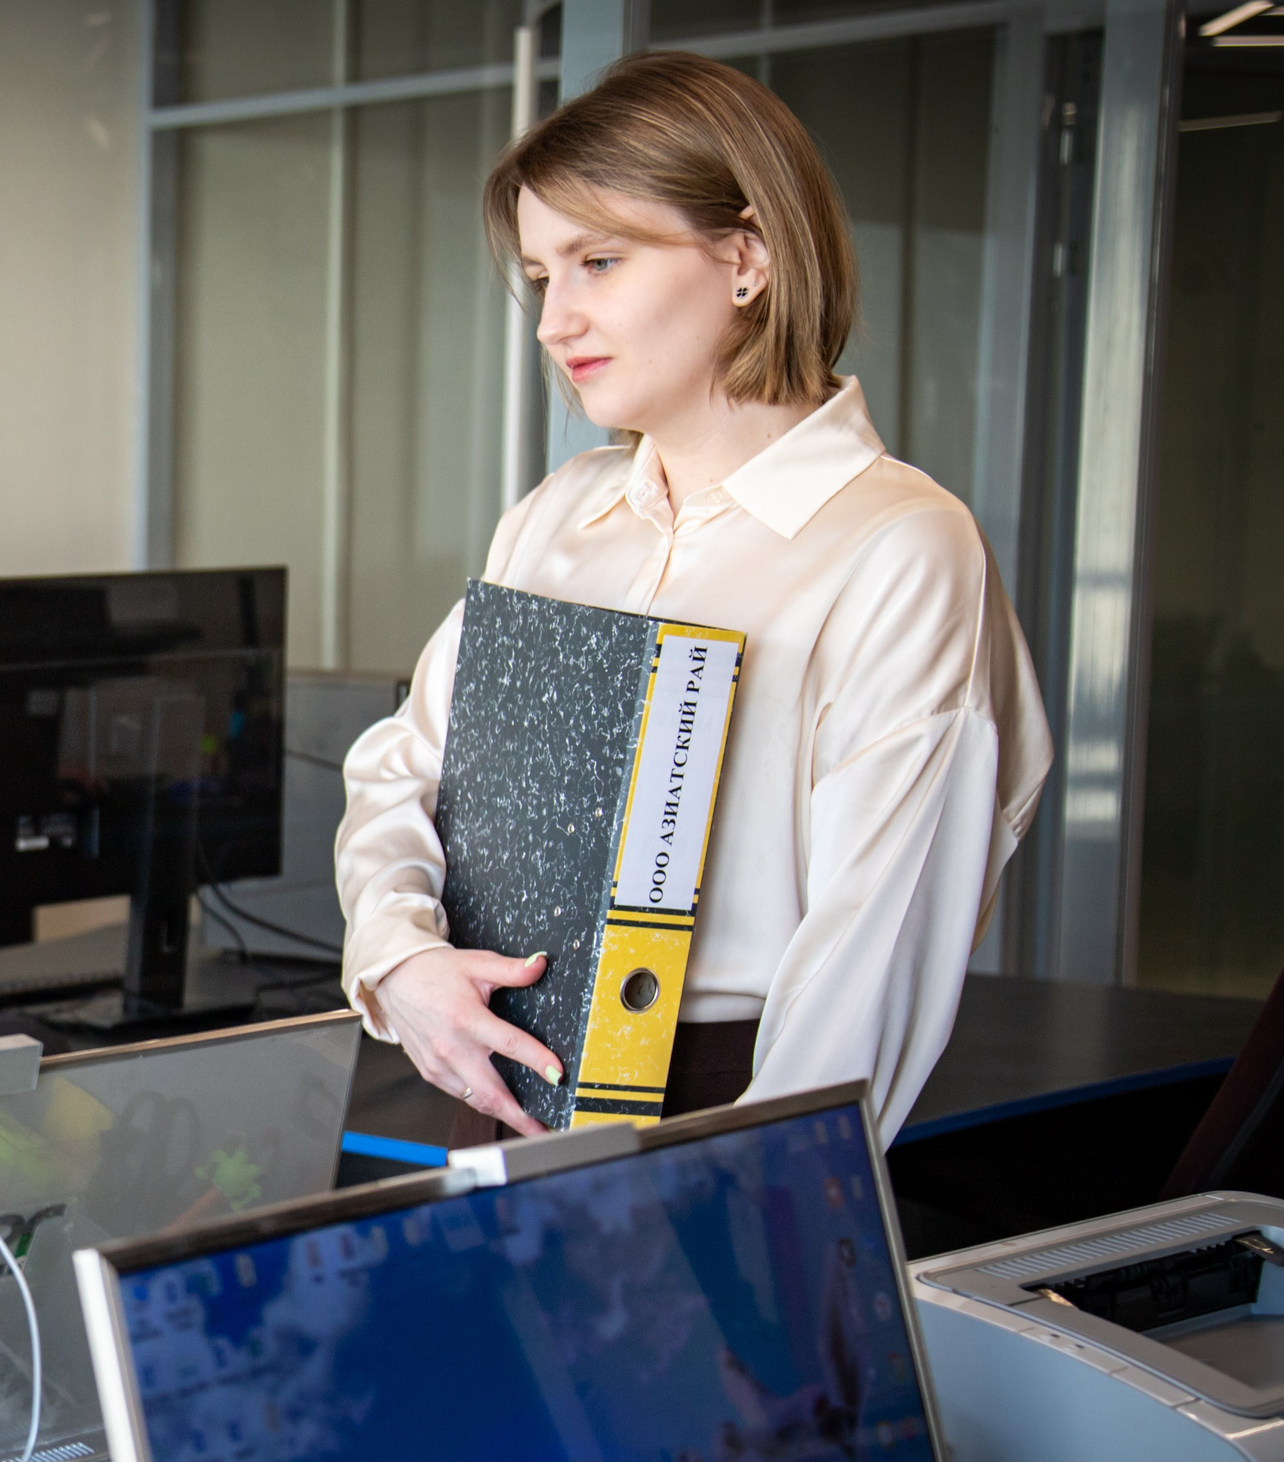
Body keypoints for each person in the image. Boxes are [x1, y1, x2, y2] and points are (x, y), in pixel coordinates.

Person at [335, 52, 1050, 1146]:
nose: (551, 321)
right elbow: (401, 770)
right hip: (485, 1079)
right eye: (541, 275)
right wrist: (402, 959)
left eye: (599, 261)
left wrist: (747, 1194)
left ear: (748, 257)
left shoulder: (900, 546)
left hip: (723, 1111)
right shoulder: (555, 516)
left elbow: (873, 959)